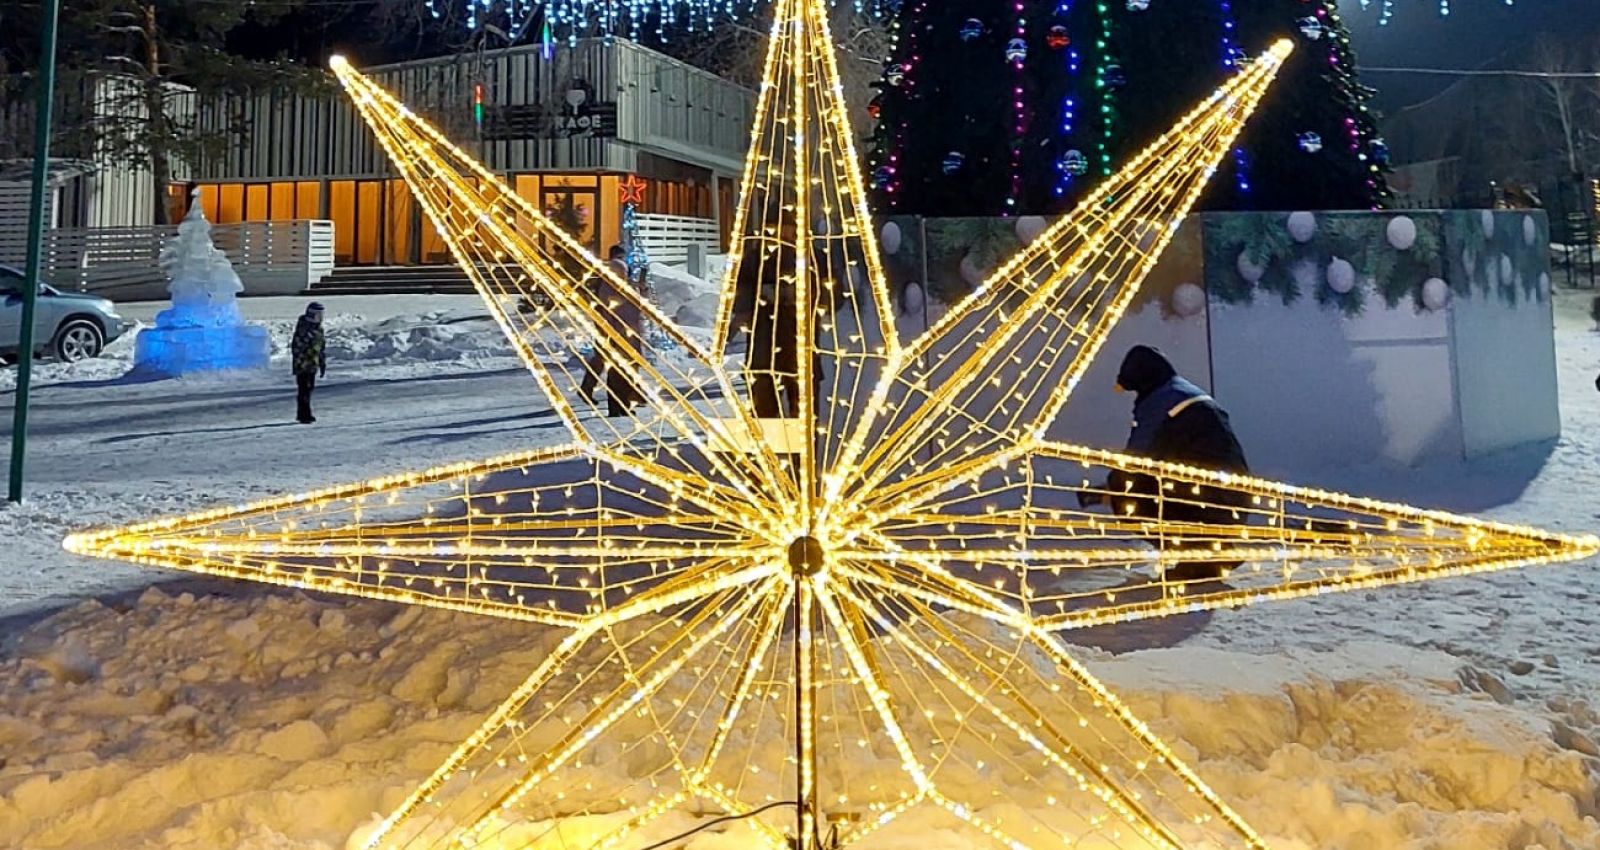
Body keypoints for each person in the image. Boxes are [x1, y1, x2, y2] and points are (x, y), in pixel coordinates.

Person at [1082, 345, 1250, 582]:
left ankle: (1201, 559)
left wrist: (1110, 489)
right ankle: (1213, 552)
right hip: (1236, 499)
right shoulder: (1186, 393)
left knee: (1127, 498)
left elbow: (1134, 461)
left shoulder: (1160, 404)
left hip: (1208, 500)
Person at [579, 245, 645, 417]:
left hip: (627, 336)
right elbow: (610, 314)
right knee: (615, 371)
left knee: (623, 370)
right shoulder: (609, 289)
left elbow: (636, 309)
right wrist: (609, 335)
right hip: (615, 335)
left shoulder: (625, 288)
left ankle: (626, 402)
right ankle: (618, 404)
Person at [291, 302, 326, 424]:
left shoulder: (318, 329)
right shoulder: (303, 328)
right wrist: (302, 361)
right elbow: (297, 347)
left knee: (309, 388)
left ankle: (305, 413)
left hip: (312, 364)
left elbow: (321, 347)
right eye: (318, 315)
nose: (320, 318)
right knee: (304, 389)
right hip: (303, 364)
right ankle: (303, 414)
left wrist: (322, 362)